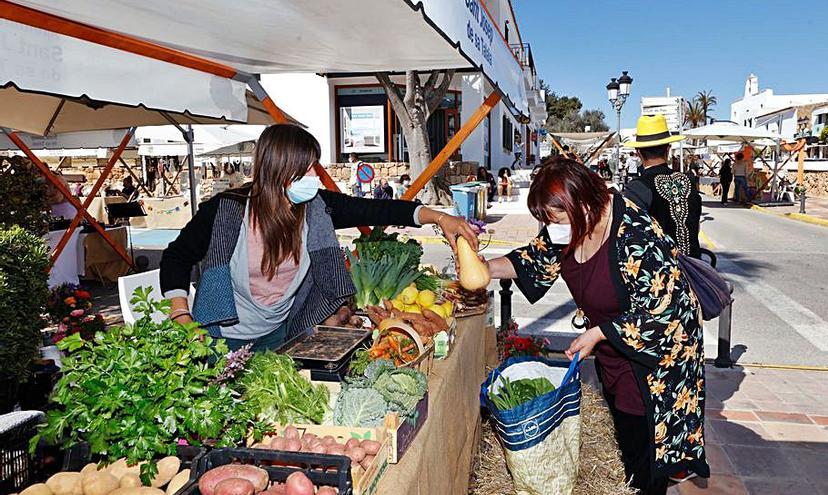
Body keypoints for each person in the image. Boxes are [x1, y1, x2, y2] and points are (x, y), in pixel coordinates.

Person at [479, 157, 708, 494]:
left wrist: (598, 333)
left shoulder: (634, 233)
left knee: (644, 455)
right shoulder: (570, 225)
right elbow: (534, 258)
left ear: (583, 201)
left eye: (556, 219)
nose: (552, 228)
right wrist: (484, 267)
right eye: (547, 221)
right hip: (614, 350)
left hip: (655, 364)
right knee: (629, 439)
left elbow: (665, 312)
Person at [160, 124, 477, 351]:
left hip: (280, 335)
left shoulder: (315, 210)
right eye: (306, 169)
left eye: (314, 167)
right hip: (219, 338)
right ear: (278, 170)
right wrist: (180, 313)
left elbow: (376, 210)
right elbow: (177, 257)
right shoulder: (226, 212)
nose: (314, 177)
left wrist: (438, 216)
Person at [623, 115, 702, 257]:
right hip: (695, 269)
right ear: (668, 150)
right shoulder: (689, 181)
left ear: (638, 152)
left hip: (659, 275)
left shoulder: (636, 188)